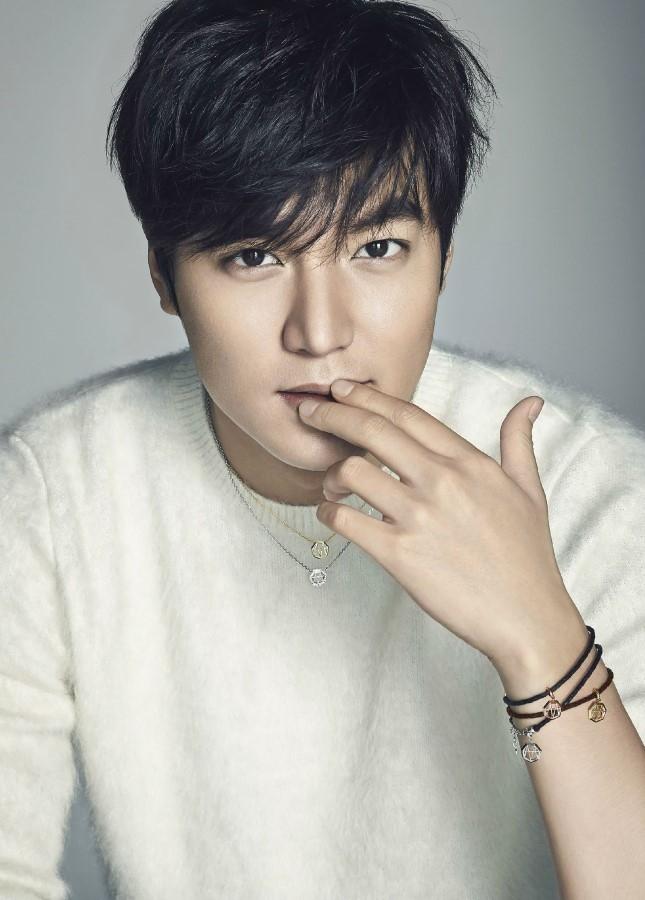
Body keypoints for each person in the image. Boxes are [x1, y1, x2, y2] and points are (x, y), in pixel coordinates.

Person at [2, 1, 644, 898]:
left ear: (443, 258)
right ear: (163, 276)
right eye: (254, 256)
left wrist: (540, 636)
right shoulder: (56, 490)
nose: (320, 331)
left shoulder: (593, 487)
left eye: (377, 247)